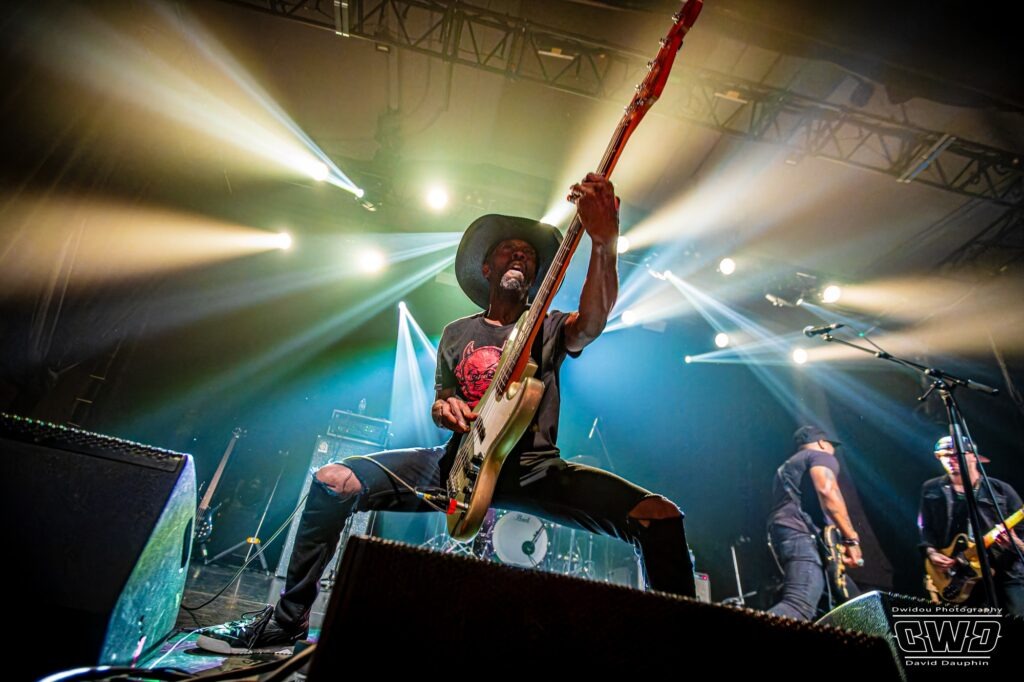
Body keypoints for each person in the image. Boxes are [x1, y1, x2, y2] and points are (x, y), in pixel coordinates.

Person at [197, 173, 696, 654]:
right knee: (333, 480)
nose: (521, 252)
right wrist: (445, 406)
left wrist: (605, 245)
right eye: (509, 247)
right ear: (487, 268)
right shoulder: (457, 333)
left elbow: (590, 325)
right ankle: (286, 622)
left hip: (534, 470)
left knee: (660, 517)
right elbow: (442, 401)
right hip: (457, 466)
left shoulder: (546, 326)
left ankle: (685, 652)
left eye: (529, 251)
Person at [765, 425, 864, 620]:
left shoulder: (786, 468)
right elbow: (828, 491)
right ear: (821, 443)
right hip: (800, 534)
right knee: (799, 605)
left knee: (855, 608)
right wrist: (851, 539)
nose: (833, 451)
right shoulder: (820, 456)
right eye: (831, 445)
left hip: (786, 535)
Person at [918, 435, 1024, 615]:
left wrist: (1014, 543)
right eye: (943, 455)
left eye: (954, 454)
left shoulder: (1000, 490)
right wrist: (932, 552)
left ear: (974, 455)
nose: (949, 459)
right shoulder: (931, 489)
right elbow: (925, 530)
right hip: (959, 576)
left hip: (1006, 575)